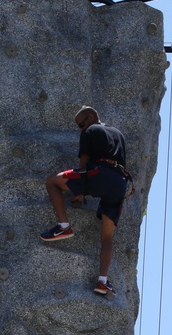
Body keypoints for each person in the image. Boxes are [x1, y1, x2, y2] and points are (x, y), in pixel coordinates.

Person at [39, 105, 132, 297]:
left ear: (90, 118)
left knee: (51, 182)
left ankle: (63, 226)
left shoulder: (90, 130)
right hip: (120, 182)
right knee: (107, 237)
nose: (81, 128)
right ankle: (102, 282)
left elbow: (84, 161)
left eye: (81, 124)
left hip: (100, 173)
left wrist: (79, 191)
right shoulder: (118, 133)